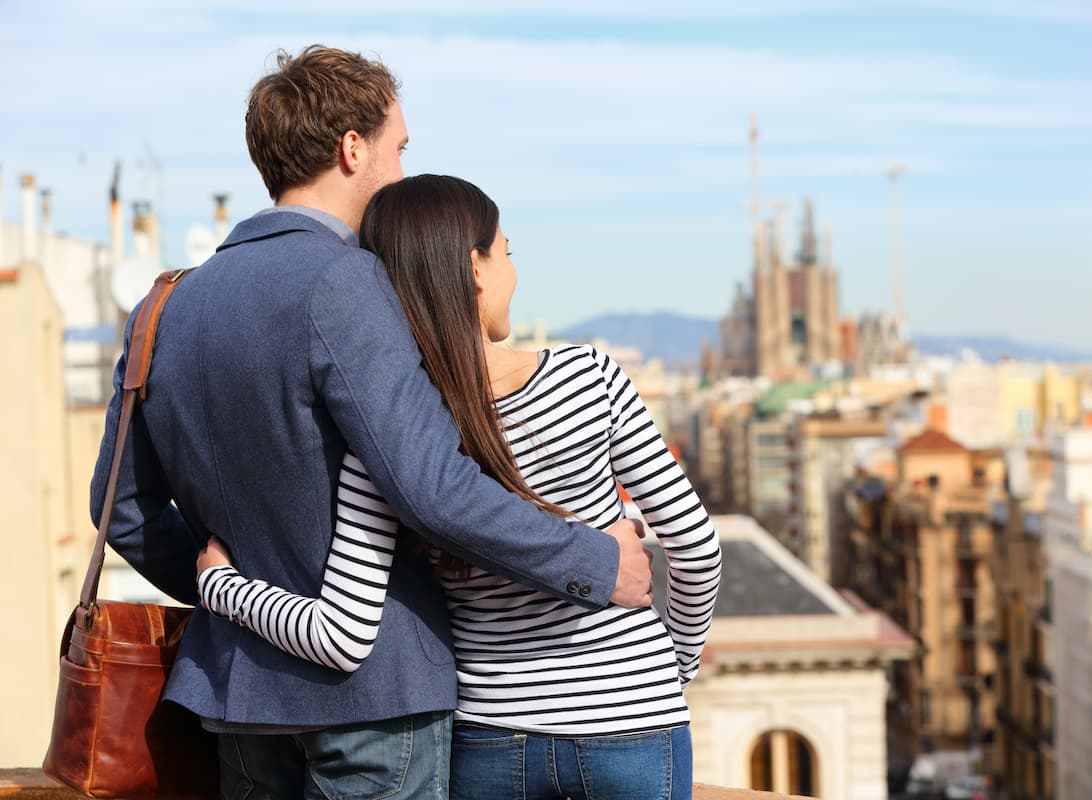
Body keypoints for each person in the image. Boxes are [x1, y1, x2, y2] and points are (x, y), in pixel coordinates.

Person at [90, 47, 653, 800]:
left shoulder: (167, 304)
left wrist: (229, 587)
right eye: (399, 148)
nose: (401, 169)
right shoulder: (348, 282)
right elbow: (431, 486)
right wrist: (591, 560)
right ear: (352, 149)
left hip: (239, 695)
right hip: (372, 699)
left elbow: (118, 509)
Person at [195, 175, 723, 800]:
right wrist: (672, 670)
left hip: (489, 735)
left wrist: (221, 587)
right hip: (633, 722)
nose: (514, 273)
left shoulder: (393, 431)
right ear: (476, 268)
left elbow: (341, 635)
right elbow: (696, 549)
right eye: (507, 252)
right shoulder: (590, 378)